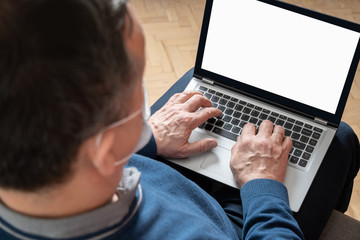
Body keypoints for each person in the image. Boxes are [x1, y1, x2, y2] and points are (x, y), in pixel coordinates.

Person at [0, 0, 358, 239]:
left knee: (195, 85)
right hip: (229, 224)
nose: (147, 101)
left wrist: (148, 141)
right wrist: (263, 185)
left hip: (150, 176)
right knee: (339, 138)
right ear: (104, 146)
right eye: (137, 86)